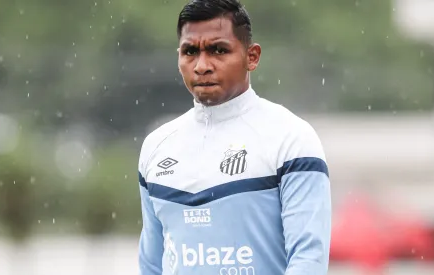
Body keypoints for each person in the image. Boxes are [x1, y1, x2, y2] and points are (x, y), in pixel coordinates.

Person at [137, 0, 332, 274]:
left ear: (251, 56)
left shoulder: (291, 139)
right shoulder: (156, 146)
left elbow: (309, 260)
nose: (202, 65)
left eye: (218, 50)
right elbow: (151, 264)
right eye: (190, 51)